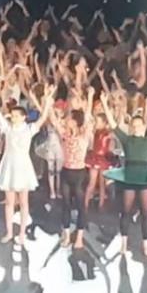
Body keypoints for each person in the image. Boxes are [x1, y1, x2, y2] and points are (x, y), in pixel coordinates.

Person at [100, 95, 147, 257]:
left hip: (144, 179)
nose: (137, 128)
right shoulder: (127, 140)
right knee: (126, 210)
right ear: (131, 128)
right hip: (129, 178)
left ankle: (145, 243)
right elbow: (114, 125)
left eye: (139, 125)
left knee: (145, 212)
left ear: (144, 127)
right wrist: (104, 104)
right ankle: (124, 242)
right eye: (134, 125)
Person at [0, 84, 54, 247]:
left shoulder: (29, 129)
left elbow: (42, 118)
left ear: (24, 117)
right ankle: (9, 232)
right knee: (9, 202)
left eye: (17, 116)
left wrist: (47, 101)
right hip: (9, 166)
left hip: (23, 166)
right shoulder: (7, 128)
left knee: (24, 202)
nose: (13, 118)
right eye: (12, 116)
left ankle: (22, 233)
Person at [49, 88, 93, 249]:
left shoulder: (84, 135)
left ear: (75, 121)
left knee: (81, 206)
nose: (67, 119)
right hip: (66, 172)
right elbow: (54, 120)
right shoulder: (65, 134)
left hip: (80, 174)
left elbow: (87, 118)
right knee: (66, 204)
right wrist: (48, 99)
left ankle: (79, 237)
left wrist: (90, 96)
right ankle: (67, 234)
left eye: (69, 118)